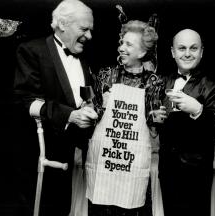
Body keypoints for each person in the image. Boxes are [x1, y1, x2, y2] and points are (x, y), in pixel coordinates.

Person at [13, 0, 97, 215]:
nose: (89, 36)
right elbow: (25, 102)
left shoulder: (85, 58)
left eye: (90, 30)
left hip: (76, 158)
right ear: (62, 24)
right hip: (43, 157)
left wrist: (92, 105)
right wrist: (70, 115)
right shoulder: (32, 50)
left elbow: (85, 95)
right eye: (84, 29)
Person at [85, 20, 161, 216]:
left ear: (142, 53)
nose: (121, 48)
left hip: (132, 165)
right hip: (105, 162)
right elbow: (94, 117)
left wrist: (158, 117)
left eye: (129, 45)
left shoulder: (153, 81)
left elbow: (153, 127)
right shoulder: (106, 75)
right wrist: (98, 105)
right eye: (122, 43)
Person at [155, 28, 215, 216]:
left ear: (202, 52)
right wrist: (154, 118)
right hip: (167, 170)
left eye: (193, 48)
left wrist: (198, 110)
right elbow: (155, 120)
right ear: (173, 52)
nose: (187, 53)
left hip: (196, 175)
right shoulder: (161, 81)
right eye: (181, 48)